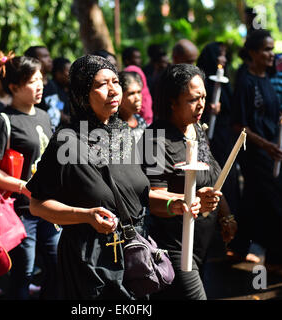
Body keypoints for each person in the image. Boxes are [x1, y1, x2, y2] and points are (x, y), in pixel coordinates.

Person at [26, 54, 200, 299]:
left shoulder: (123, 136)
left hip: (133, 258)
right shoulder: (66, 142)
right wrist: (85, 216)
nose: (112, 90)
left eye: (115, 82)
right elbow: (37, 205)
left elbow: (137, 195)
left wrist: (175, 203)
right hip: (90, 263)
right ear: (82, 93)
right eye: (100, 85)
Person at [140, 63, 236, 300]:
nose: (201, 104)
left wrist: (225, 214)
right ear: (172, 102)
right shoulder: (155, 140)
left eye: (203, 97)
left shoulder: (195, 130)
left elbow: (213, 173)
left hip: (202, 246)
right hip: (174, 248)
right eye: (193, 99)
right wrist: (187, 201)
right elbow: (152, 196)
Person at [0, 54, 59, 300]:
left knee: (57, 269)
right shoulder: (1, 120)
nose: (40, 85)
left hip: (49, 206)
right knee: (23, 274)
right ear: (14, 87)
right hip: (21, 212)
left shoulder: (45, 116)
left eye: (41, 79)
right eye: (33, 81)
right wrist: (22, 187)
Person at [231, 29, 282, 266]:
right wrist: (266, 144)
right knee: (274, 205)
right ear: (253, 53)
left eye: (272, 49)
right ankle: (276, 259)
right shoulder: (246, 82)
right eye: (266, 49)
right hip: (256, 154)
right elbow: (239, 126)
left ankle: (239, 245)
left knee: (253, 201)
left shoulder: (268, 79)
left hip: (272, 152)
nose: (271, 54)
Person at [196, 42, 241, 239]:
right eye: (219, 56)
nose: (223, 60)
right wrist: (208, 109)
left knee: (228, 178)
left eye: (225, 55)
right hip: (209, 136)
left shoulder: (225, 80)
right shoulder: (202, 80)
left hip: (224, 136)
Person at [24, 45, 63, 131]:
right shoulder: (30, 88)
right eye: (45, 56)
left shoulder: (52, 83)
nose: (50, 60)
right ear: (34, 61)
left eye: (49, 56)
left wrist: (61, 112)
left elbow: (58, 101)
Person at [118, 71, 147, 142]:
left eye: (139, 92)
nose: (137, 98)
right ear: (120, 96)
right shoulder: (113, 126)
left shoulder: (141, 121)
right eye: (131, 93)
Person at [52, 57, 71, 126]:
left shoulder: (69, 87)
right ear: (58, 73)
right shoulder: (53, 89)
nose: (71, 74)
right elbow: (60, 112)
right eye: (68, 71)